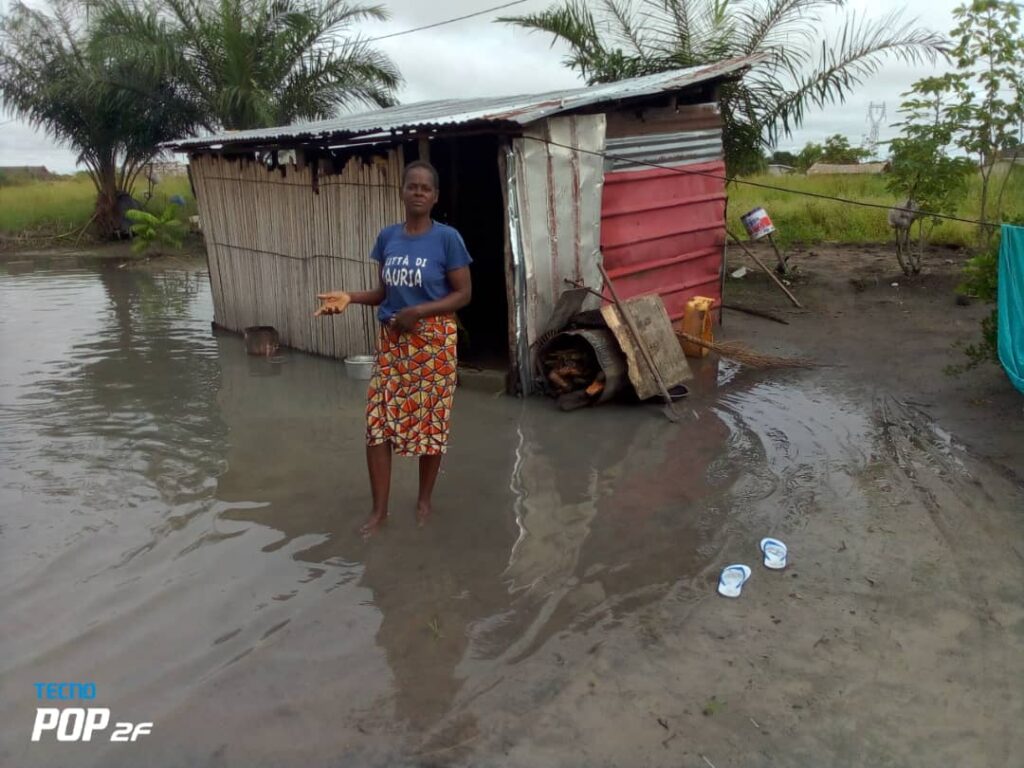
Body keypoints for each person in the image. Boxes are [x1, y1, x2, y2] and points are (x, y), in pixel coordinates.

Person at [315, 161, 472, 534]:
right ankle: (379, 511)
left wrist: (419, 311)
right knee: (377, 426)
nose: (418, 192)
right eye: (411, 186)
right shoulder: (388, 238)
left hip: (433, 342)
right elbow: (385, 293)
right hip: (392, 343)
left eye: (425, 188)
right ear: (402, 192)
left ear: (434, 197)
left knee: (431, 426)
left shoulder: (447, 238)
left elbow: (464, 294)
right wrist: (350, 297)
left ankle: (423, 501)